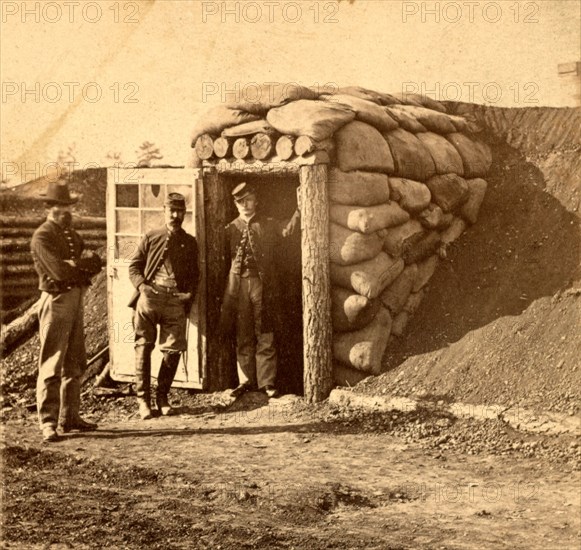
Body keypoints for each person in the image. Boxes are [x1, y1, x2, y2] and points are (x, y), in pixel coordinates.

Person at [30, 181, 103, 442]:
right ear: (49, 207)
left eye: (68, 206)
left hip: (75, 297)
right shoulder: (42, 236)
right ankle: (48, 422)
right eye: (61, 206)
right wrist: (78, 265)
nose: (66, 211)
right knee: (52, 362)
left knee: (75, 360)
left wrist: (78, 264)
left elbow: (95, 263)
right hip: (57, 299)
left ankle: (70, 416)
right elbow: (58, 272)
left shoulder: (71, 234)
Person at [220, 182, 300, 399]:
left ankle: (266, 382)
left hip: (264, 285)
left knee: (265, 332)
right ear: (236, 205)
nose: (245, 205)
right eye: (240, 202)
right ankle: (245, 381)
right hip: (237, 287)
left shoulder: (268, 224)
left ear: (256, 201)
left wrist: (299, 209)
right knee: (242, 333)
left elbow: (288, 231)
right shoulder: (229, 229)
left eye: (248, 200)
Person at [128, 193, 199, 420]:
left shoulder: (189, 242)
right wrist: (142, 287)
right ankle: (143, 401)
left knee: (173, 350)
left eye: (180, 211)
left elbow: (195, 274)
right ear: (164, 211)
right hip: (150, 298)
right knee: (143, 346)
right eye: (172, 211)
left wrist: (188, 294)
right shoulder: (151, 236)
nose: (176, 216)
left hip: (174, 301)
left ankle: (162, 398)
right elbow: (134, 267)